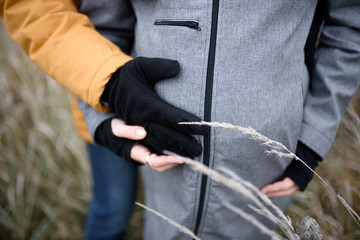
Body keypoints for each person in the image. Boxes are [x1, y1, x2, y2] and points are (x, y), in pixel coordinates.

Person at [1, 1, 360, 240]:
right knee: (111, 206)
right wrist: (104, 101)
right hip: (144, 147)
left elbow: (349, 26)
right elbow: (101, 23)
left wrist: (313, 136)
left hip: (264, 170)